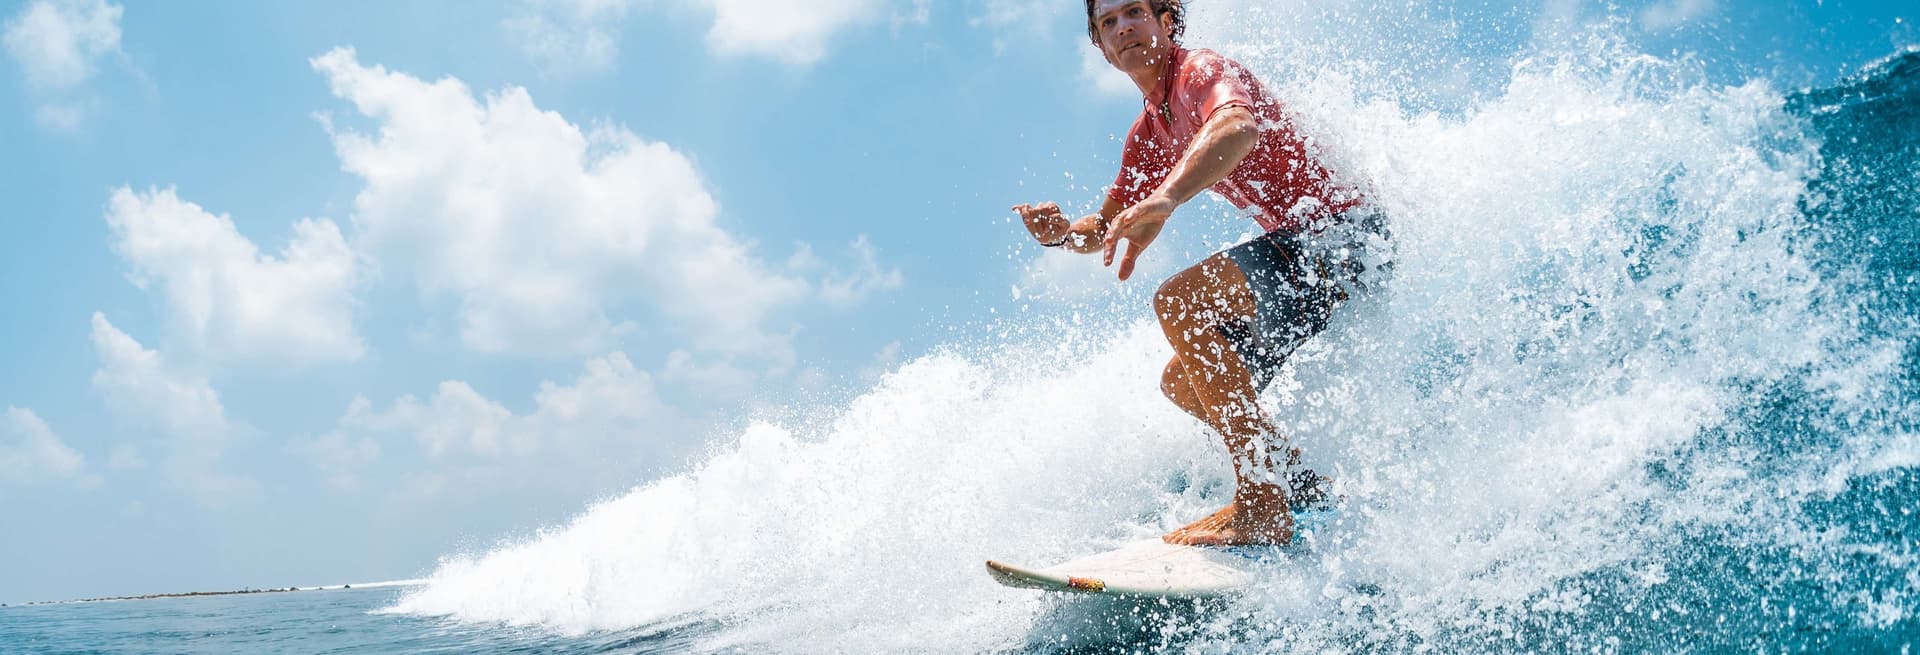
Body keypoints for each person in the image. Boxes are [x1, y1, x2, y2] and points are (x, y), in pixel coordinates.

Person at [1013, 0, 1384, 546]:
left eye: (1135, 11)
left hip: (1347, 235)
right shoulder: (1147, 132)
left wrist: (1165, 198)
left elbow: (1237, 128)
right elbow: (1107, 226)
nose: (1124, 28)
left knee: (1181, 302)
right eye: (1108, 22)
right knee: (1183, 382)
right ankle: (1296, 480)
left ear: (1166, 21)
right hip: (1312, 255)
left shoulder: (1200, 72)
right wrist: (1065, 234)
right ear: (1100, 45)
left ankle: (1262, 503)